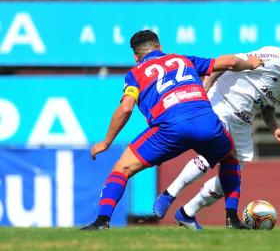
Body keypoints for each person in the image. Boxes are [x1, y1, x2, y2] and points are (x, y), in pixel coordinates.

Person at [80, 30, 264, 230]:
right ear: (160, 47)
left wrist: (106, 142)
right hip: (206, 122)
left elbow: (125, 108)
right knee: (230, 158)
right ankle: (232, 219)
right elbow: (229, 63)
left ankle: (102, 222)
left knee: (122, 169)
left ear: (136, 57)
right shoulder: (182, 59)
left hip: (169, 129)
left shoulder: (135, 74)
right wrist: (250, 63)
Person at [153, 37, 280, 229]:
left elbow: (268, 107)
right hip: (221, 104)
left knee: (231, 177)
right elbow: (227, 63)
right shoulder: (274, 56)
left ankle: (187, 213)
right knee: (212, 155)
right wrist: (203, 92)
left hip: (243, 122)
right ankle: (169, 195)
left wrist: (275, 128)